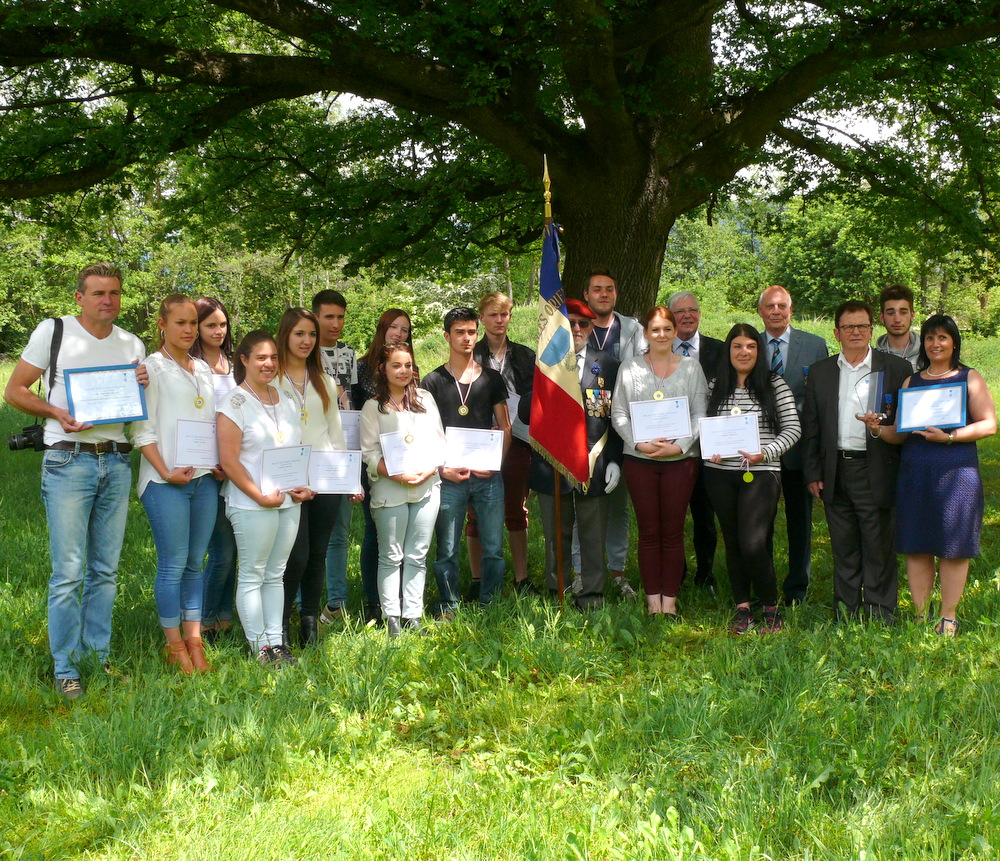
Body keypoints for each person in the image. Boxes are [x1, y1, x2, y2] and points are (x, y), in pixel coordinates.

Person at [4, 262, 145, 700]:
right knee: (68, 572)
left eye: (115, 293)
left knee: (105, 571)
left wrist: (142, 383)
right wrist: (57, 414)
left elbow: (138, 408)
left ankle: (96, 656)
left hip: (117, 462)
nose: (108, 300)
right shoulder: (54, 332)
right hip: (67, 460)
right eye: (99, 293)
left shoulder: (131, 344)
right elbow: (15, 390)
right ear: (79, 297)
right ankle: (66, 667)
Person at [863, 314, 996, 635]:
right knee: (917, 544)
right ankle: (921, 617)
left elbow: (989, 424)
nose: (936, 344)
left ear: (954, 342)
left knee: (953, 546)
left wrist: (950, 436)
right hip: (916, 473)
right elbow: (901, 433)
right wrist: (878, 429)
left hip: (957, 473)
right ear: (924, 344)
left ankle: (948, 617)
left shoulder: (969, 377)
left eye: (943, 338)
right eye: (930, 338)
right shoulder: (912, 382)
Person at [801, 301, 913, 623]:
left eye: (862, 326)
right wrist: (812, 472)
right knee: (844, 545)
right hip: (834, 469)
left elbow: (905, 424)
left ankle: (880, 613)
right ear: (836, 333)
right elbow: (812, 427)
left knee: (878, 544)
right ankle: (847, 612)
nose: (856, 332)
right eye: (848, 327)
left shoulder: (895, 369)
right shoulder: (821, 372)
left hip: (876, 467)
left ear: (871, 330)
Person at [132, 295, 219, 672]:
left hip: (203, 480)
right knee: (173, 564)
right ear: (162, 326)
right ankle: (174, 646)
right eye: (179, 323)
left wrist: (216, 461)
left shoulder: (202, 368)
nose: (187, 330)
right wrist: (166, 471)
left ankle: (194, 640)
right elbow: (141, 430)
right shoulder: (150, 369)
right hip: (164, 481)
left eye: (192, 323)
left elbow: (212, 422)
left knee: (196, 565)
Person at [217, 331, 313, 666]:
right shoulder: (233, 403)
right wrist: (259, 495)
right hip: (251, 502)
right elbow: (229, 461)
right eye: (260, 357)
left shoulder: (286, 398)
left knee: (276, 573)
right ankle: (259, 647)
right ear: (243, 360)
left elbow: (295, 450)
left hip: (288, 499)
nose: (268, 364)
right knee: (253, 573)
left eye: (273, 357)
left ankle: (277, 643)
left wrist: (305, 484)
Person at [521, 299, 622, 609]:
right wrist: (546, 381)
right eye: (571, 324)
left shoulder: (608, 365)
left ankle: (591, 595)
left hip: (594, 461)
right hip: (552, 462)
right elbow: (525, 412)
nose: (577, 329)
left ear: (591, 328)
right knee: (556, 536)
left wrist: (616, 459)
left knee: (593, 536)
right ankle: (558, 591)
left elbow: (617, 417)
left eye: (583, 324)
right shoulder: (542, 362)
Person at [702, 324, 801, 634]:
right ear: (728, 351)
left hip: (760, 474)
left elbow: (793, 430)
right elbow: (704, 426)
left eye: (750, 346)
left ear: (759, 352)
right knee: (732, 542)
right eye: (737, 346)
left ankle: (771, 608)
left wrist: (765, 452)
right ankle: (742, 608)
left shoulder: (774, 384)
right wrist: (710, 449)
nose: (743, 352)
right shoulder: (715, 385)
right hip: (720, 474)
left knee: (754, 542)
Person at [611, 306, 708, 617]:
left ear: (675, 332)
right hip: (639, 461)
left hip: (681, 462)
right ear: (646, 334)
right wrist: (638, 442)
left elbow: (699, 414)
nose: (662, 335)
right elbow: (619, 414)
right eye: (655, 330)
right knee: (649, 532)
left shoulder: (692, 368)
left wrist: (678, 448)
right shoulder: (629, 367)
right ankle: (653, 601)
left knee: (673, 531)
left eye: (667, 329)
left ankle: (671, 601)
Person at [422, 308, 511, 617]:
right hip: (449, 477)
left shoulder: (492, 378)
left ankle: (491, 601)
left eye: (472, 332)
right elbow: (423, 432)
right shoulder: (432, 381)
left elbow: (505, 426)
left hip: (488, 476)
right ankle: (448, 604)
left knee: (494, 546)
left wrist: (496, 463)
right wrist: (441, 468)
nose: (467, 338)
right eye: (459, 332)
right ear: (447, 336)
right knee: (446, 547)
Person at [276, 308, 351, 648]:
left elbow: (336, 434)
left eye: (311, 335)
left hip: (325, 478)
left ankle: (310, 621)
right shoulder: (272, 378)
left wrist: (345, 478)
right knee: (296, 555)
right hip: (290, 479)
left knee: (318, 552)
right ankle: (281, 624)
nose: (306, 341)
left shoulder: (324, 381)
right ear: (285, 337)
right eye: (299, 334)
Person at [360, 343, 446, 636]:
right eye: (396, 365)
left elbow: (440, 442)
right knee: (391, 555)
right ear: (383, 369)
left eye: (408, 365)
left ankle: (413, 614)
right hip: (389, 489)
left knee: (417, 555)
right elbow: (369, 453)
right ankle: (392, 617)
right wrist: (395, 474)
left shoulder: (425, 399)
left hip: (426, 486)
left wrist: (430, 469)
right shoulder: (374, 407)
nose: (403, 371)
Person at [339, 307, 414, 626]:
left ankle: (401, 601)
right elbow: (352, 421)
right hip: (373, 462)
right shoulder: (359, 368)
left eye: (405, 330)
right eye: (393, 327)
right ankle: (373, 602)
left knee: (404, 534)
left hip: (409, 463)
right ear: (381, 329)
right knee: (374, 531)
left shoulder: (410, 367)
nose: (398, 334)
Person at [757, 285, 828, 604]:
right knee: (760, 521)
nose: (776, 311)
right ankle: (764, 581)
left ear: (791, 309)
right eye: (770, 306)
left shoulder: (814, 346)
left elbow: (820, 401)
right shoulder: (749, 344)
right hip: (758, 450)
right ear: (761, 311)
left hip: (800, 450)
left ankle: (797, 588)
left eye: (782, 306)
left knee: (800, 521)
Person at [583, 268, 647, 599]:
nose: (603, 294)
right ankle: (582, 573)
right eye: (597, 289)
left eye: (609, 289)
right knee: (583, 506)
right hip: (584, 432)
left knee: (618, 506)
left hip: (623, 426)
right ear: (587, 294)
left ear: (616, 295)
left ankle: (618, 572)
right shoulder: (574, 329)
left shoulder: (633, 330)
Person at [466, 291, 535, 597]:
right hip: (479, 441)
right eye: (492, 314)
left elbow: (535, 401)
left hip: (519, 440)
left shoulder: (525, 355)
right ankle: (478, 578)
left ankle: (521, 578)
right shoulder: (470, 354)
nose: (498, 320)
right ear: (481, 318)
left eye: (504, 314)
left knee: (516, 509)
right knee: (476, 512)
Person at [668, 290, 725, 596]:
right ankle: (675, 573)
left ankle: (706, 574)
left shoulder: (720, 350)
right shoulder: (659, 350)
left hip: (708, 448)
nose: (687, 315)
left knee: (705, 517)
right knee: (673, 516)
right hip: (669, 448)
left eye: (693, 309)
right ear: (670, 317)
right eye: (680, 311)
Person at [190, 297, 238, 642]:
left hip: (236, 466)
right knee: (220, 550)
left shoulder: (236, 363)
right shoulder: (189, 365)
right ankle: (205, 618)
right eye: (211, 325)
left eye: (222, 325)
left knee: (236, 549)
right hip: (206, 466)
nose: (218, 331)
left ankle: (224, 617)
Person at [312, 289, 361, 623]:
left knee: (339, 533)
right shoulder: (302, 352)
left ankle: (337, 602)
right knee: (305, 534)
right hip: (310, 451)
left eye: (340, 316)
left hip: (341, 451)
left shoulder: (348, 354)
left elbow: (351, 407)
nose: (335, 323)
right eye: (328, 316)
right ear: (315, 316)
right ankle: (303, 603)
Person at [875, 284, 920, 371]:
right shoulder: (872, 358)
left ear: (912, 315)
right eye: (891, 313)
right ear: (882, 317)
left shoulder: (928, 353)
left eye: (903, 313)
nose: (897, 319)